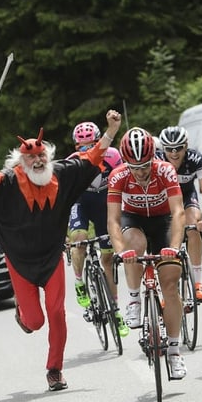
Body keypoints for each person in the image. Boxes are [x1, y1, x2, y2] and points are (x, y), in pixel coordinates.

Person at [0, 109, 122, 391]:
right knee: (35, 321)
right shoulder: (10, 179)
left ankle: (55, 370)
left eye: (41, 156)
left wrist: (111, 130)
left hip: (51, 256)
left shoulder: (62, 173)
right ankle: (22, 311)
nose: (38, 160)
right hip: (20, 259)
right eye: (31, 157)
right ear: (22, 161)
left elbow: (92, 157)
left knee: (56, 312)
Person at [108, 127, 188, 379]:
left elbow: (178, 213)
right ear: (126, 163)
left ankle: (174, 352)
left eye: (145, 166)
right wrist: (120, 252)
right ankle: (133, 298)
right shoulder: (118, 175)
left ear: (153, 158)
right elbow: (113, 220)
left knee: (171, 285)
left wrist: (174, 247)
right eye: (135, 167)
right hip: (135, 220)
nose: (141, 172)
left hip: (163, 220)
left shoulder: (165, 170)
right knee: (134, 242)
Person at [66, 121, 128, 337]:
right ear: (76, 148)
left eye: (91, 145)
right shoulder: (72, 163)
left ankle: (116, 309)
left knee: (108, 260)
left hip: (105, 204)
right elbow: (64, 198)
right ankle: (79, 281)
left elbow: (126, 181)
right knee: (80, 239)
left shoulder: (112, 155)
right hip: (81, 204)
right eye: (82, 147)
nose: (87, 151)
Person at [156, 126, 202, 302]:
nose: (174, 153)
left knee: (193, 227)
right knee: (163, 236)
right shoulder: (156, 160)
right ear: (162, 149)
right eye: (169, 149)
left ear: (186, 146)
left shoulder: (195, 159)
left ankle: (197, 282)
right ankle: (165, 288)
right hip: (164, 200)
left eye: (178, 148)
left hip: (186, 197)